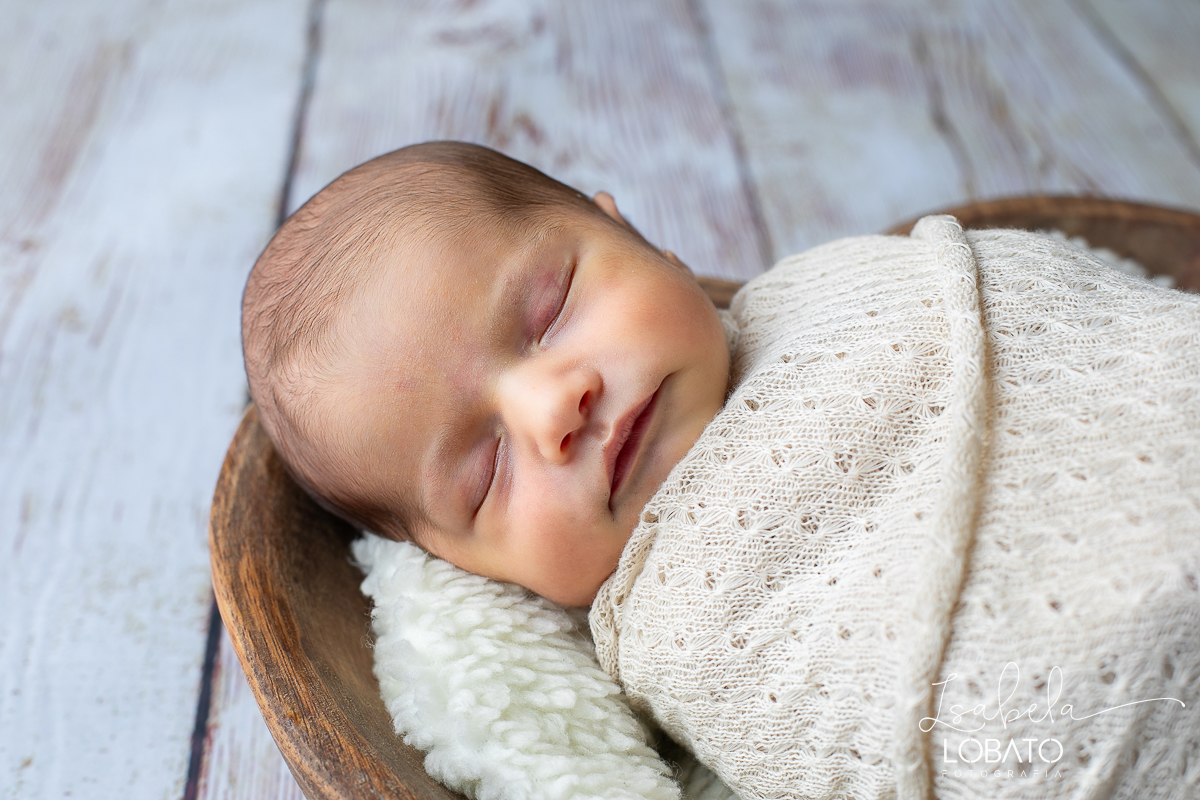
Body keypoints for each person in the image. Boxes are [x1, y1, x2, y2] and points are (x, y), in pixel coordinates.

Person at [243, 141, 1200, 799]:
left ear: (642, 240)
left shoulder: (840, 285)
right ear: (472, 569)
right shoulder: (663, 635)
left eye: (548, 312)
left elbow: (1081, 321)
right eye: (485, 473)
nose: (553, 408)